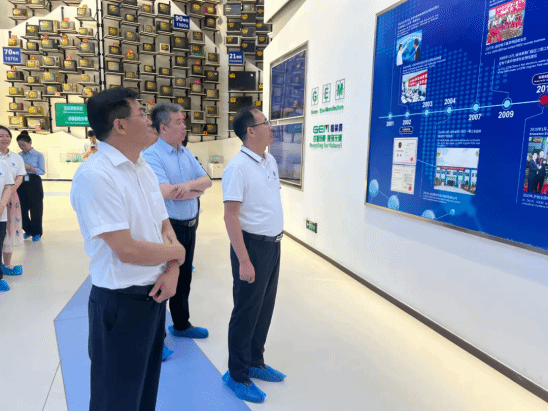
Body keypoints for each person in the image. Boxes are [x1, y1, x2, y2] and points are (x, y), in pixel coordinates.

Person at [70, 88, 186, 411]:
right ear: (120, 125)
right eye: (141, 113)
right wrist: (178, 255)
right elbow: (126, 250)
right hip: (119, 305)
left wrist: (173, 269)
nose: (149, 120)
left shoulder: (142, 168)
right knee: (116, 401)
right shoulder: (96, 176)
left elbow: (164, 226)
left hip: (155, 296)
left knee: (145, 394)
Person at [221, 107, 286, 403]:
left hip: (273, 245)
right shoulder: (237, 167)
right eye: (265, 123)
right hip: (251, 248)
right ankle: (237, 374)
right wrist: (244, 261)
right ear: (250, 131)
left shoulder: (269, 160)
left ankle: (255, 361)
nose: (271, 127)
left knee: (264, 308)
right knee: (246, 311)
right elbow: (230, 216)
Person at [143, 104, 212, 345]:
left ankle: (181, 324)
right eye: (179, 122)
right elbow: (167, 192)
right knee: (163, 278)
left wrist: (188, 187)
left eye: (183, 121)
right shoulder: (151, 155)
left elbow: (208, 181)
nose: (184, 126)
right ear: (163, 128)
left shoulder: (185, 153)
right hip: (169, 226)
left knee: (184, 277)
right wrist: (195, 188)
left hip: (191, 223)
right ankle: (156, 338)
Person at [0, 126, 26, 276]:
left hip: (11, 198)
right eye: (1, 136)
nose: (5, 138)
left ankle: (7, 264)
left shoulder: (16, 157)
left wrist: (9, 193)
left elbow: (19, 177)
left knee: (10, 229)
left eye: (7, 135)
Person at [16, 131, 45, 242]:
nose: (22, 147)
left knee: (36, 208)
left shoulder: (38, 155)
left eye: (23, 145)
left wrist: (29, 167)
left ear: (30, 142)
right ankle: (28, 230)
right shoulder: (18, 156)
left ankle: (36, 232)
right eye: (19, 145)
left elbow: (42, 171)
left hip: (34, 182)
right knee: (21, 208)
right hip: (21, 181)